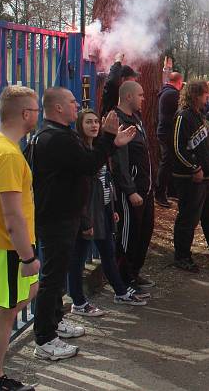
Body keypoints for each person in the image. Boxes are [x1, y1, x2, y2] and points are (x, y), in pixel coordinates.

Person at [29, 87, 135, 361]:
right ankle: (44, 338)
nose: (77, 105)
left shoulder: (63, 135)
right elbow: (89, 164)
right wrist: (109, 137)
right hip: (56, 219)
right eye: (72, 102)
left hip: (65, 216)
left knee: (58, 273)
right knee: (52, 278)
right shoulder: (54, 138)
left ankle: (55, 321)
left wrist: (112, 143)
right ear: (58, 108)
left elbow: (87, 161)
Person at [0, 86, 41, 391]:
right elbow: (12, 214)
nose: (38, 114)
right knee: (5, 310)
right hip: (8, 245)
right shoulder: (6, 154)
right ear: (25, 114)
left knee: (12, 302)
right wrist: (27, 257)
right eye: (35, 109)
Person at [68, 109, 147, 317]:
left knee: (109, 252)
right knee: (77, 258)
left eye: (96, 122)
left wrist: (110, 208)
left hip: (102, 210)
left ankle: (120, 291)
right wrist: (86, 219)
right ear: (79, 126)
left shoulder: (100, 150)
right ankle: (78, 301)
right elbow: (82, 190)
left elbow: (105, 182)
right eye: (88, 122)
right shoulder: (82, 152)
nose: (94, 125)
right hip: (86, 214)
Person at [172, 80, 209, 272]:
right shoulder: (183, 117)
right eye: (206, 94)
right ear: (195, 95)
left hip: (207, 178)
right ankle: (182, 256)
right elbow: (177, 147)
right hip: (191, 179)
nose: (208, 97)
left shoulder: (201, 117)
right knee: (189, 218)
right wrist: (194, 168)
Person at [112, 81, 155, 294]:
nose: (143, 98)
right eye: (140, 94)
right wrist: (130, 190)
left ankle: (134, 273)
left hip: (145, 188)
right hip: (132, 192)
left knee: (144, 233)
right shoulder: (118, 119)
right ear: (128, 96)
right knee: (128, 236)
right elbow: (120, 161)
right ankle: (124, 279)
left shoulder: (136, 118)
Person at [156, 72, 183, 207]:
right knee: (166, 163)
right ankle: (160, 194)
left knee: (170, 162)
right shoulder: (172, 94)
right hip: (167, 133)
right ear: (179, 81)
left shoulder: (166, 92)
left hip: (165, 132)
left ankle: (171, 192)